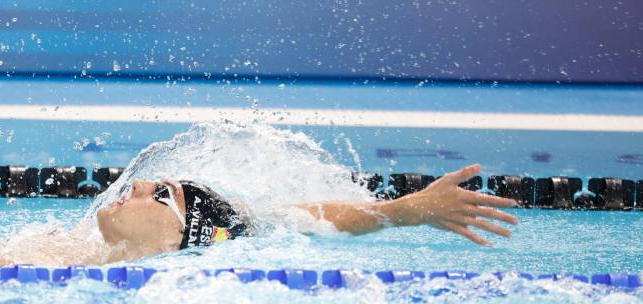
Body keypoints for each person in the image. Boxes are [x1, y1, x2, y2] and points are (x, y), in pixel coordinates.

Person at [96, 163, 518, 262]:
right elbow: (298, 218)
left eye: (161, 195)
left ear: (181, 238)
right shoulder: (73, 248)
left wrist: (407, 210)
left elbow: (298, 220)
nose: (137, 184)